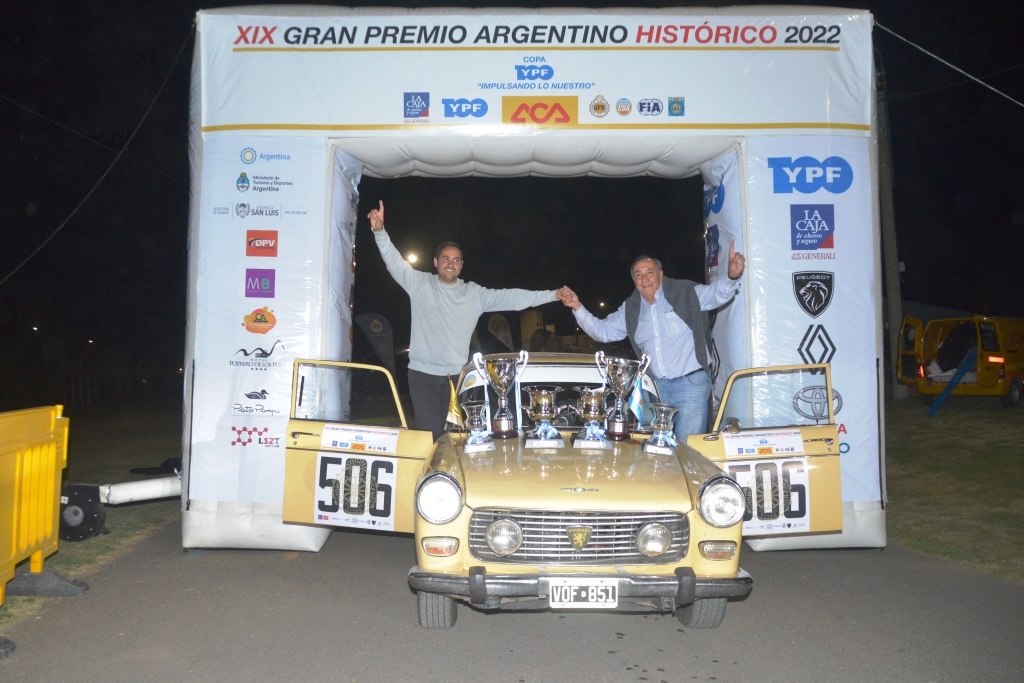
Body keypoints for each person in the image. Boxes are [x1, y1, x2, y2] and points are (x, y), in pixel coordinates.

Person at [368, 200, 567, 440]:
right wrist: (379, 231)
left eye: (455, 260)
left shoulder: (474, 294)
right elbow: (394, 262)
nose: (450, 264)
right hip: (423, 377)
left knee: (461, 438)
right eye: (445, 259)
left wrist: (552, 295)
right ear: (435, 262)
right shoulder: (419, 284)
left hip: (460, 378)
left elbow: (512, 297)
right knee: (431, 439)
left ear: (461, 265)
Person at [558, 242, 745, 440]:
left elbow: (717, 294)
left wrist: (731, 276)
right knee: (656, 447)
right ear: (633, 280)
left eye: (650, 272)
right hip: (655, 388)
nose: (644, 278)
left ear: (661, 275)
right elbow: (603, 332)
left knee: (688, 446)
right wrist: (577, 306)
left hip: (691, 384)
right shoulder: (631, 308)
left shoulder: (686, 292)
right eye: (638, 274)